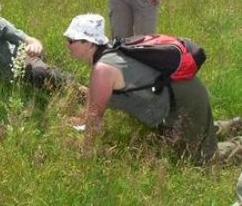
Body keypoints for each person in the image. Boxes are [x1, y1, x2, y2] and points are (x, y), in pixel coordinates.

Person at [64, 13, 217, 163]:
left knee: (201, 158)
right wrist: (80, 120)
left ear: (89, 43)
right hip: (174, 97)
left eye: (71, 40)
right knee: (194, 135)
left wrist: (85, 154)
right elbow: (93, 101)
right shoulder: (105, 55)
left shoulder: (103, 69)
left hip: (184, 98)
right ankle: (224, 127)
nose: (67, 44)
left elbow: (94, 117)